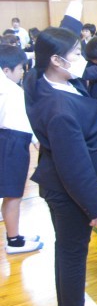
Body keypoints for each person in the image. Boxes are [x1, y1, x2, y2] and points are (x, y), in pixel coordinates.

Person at [23, 0, 97, 306]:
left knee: (67, 248)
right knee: (74, 250)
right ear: (57, 61)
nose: (80, 56)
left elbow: (61, 33)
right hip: (69, 190)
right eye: (75, 53)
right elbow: (74, 165)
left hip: (57, 182)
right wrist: (96, 206)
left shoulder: (38, 78)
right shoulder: (60, 110)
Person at [0, 45, 42, 254]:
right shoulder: (9, 89)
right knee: (13, 194)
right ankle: (14, 241)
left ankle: (14, 234)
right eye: (19, 69)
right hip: (12, 141)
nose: (21, 74)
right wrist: (36, 139)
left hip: (13, 139)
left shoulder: (9, 88)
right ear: (6, 70)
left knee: (12, 193)